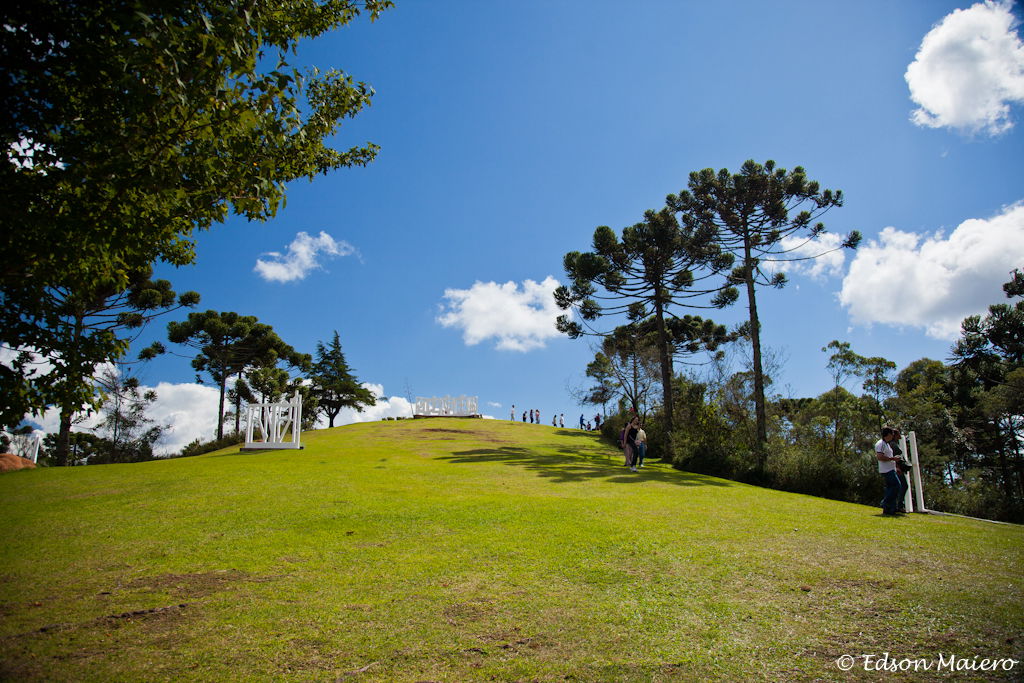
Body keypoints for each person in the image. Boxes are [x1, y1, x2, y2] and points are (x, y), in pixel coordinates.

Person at [876, 426, 902, 516]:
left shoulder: (886, 444)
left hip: (891, 469)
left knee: (891, 488)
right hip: (886, 470)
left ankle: (890, 510)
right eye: (892, 434)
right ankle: (885, 503)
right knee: (896, 486)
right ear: (889, 434)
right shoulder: (881, 444)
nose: (893, 436)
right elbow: (879, 457)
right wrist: (893, 459)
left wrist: (895, 467)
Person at [892, 428, 910, 513]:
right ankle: (899, 505)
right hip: (897, 469)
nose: (900, 435)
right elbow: (893, 457)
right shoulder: (893, 445)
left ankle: (896, 505)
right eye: (898, 434)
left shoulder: (895, 444)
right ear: (895, 435)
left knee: (900, 486)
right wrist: (897, 467)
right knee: (903, 485)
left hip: (899, 468)